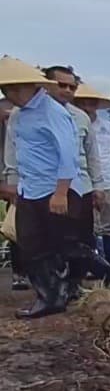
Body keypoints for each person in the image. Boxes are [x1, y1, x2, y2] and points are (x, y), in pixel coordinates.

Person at [2, 56, 83, 317]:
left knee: (62, 242)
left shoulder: (52, 112)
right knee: (30, 243)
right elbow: (17, 150)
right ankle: (49, 295)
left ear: (33, 86)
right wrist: (14, 183)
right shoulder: (18, 115)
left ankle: (74, 287)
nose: (11, 94)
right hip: (29, 187)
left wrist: (60, 192)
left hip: (53, 188)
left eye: (16, 88)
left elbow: (68, 154)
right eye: (6, 89)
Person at [44, 66, 110, 295]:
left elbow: (92, 155)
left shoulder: (81, 118)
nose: (67, 90)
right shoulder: (29, 114)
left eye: (71, 87)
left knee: (82, 238)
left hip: (80, 186)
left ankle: (75, 283)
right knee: (49, 239)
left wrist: (98, 186)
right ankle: (51, 286)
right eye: (61, 85)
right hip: (44, 187)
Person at [73, 82, 110, 273]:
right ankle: (90, 266)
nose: (86, 107)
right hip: (82, 183)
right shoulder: (70, 124)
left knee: (109, 225)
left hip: (109, 181)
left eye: (90, 103)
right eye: (82, 103)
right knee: (87, 228)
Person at [0, 94, 28, 292]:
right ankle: (19, 273)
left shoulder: (22, 124)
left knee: (20, 228)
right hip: (8, 179)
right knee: (13, 228)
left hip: (22, 181)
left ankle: (27, 272)